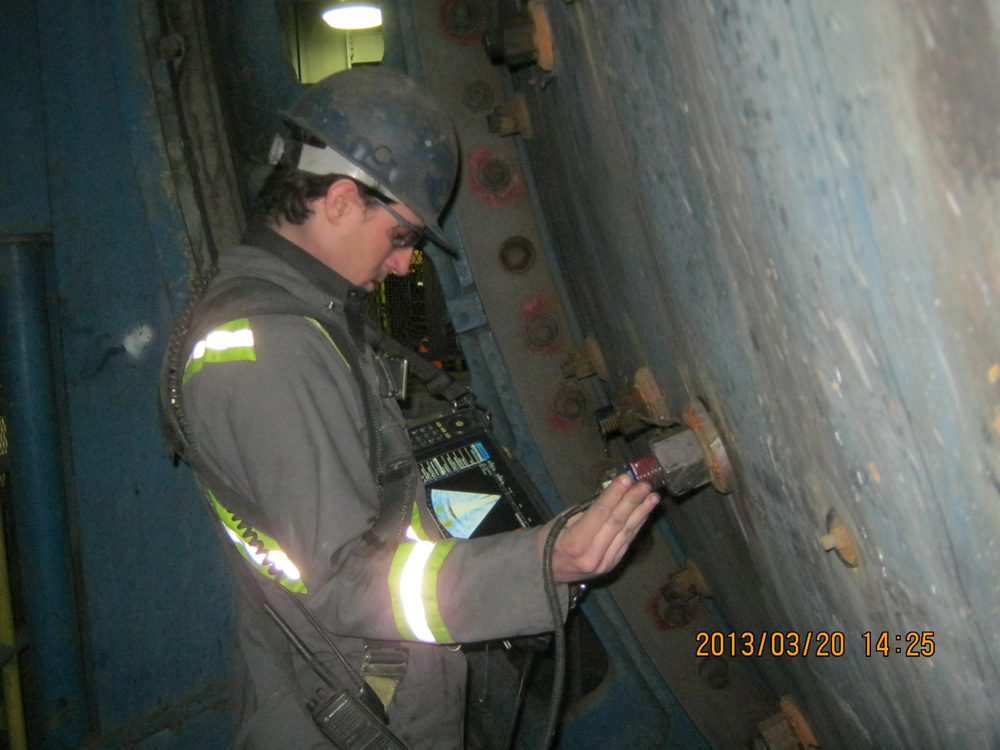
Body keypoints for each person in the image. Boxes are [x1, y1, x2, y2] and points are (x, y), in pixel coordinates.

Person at [163, 67, 659, 750]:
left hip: (353, 689)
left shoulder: (298, 318)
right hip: (355, 717)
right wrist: (545, 561)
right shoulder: (274, 349)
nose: (403, 264)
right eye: (402, 236)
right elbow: (343, 582)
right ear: (340, 200)